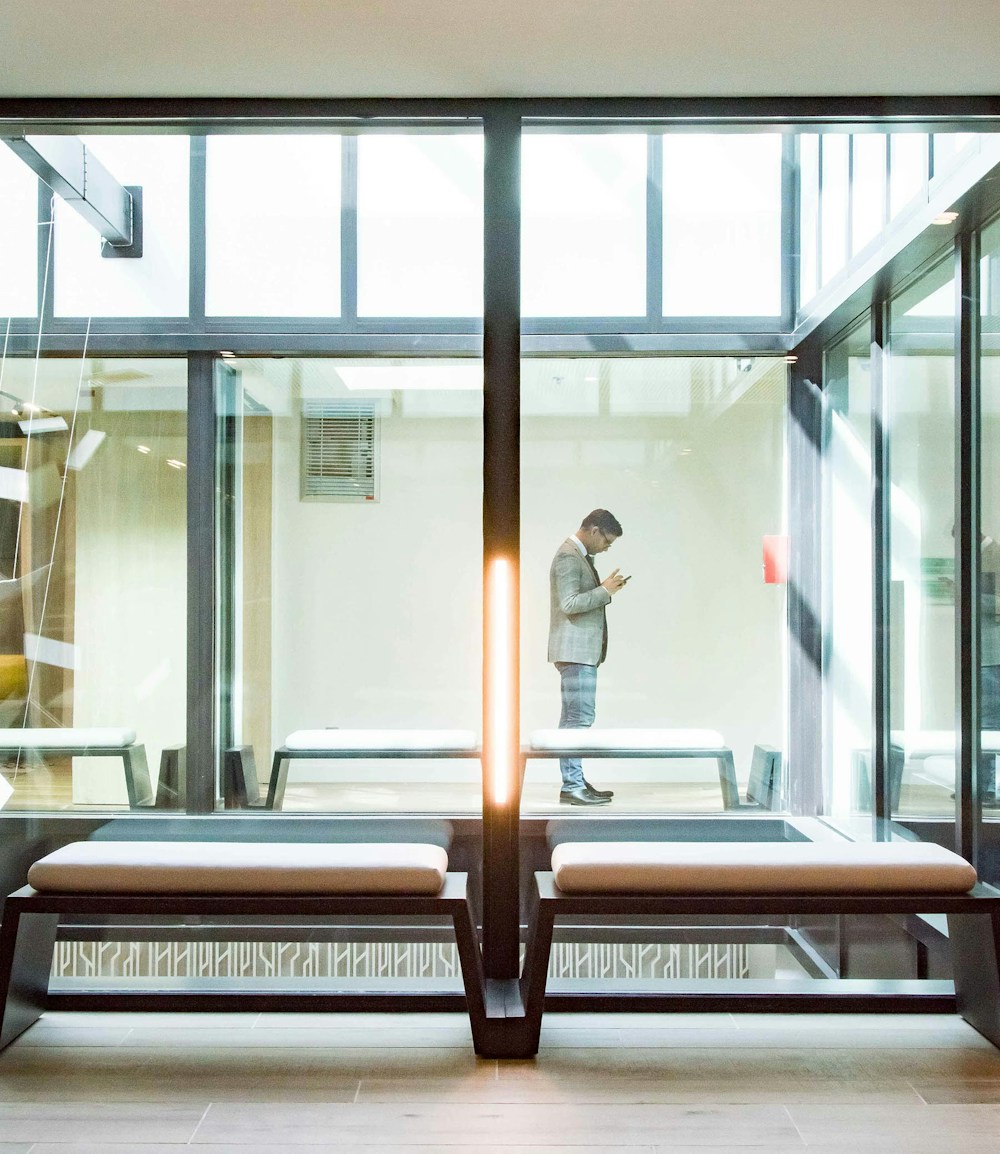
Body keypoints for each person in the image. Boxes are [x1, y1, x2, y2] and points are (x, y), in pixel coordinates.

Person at [548, 509, 628, 805]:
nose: (607, 547)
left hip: (578, 653)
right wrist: (605, 592)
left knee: (574, 719)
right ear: (594, 530)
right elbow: (569, 603)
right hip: (575, 652)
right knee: (579, 720)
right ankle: (572, 784)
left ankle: (574, 780)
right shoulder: (569, 556)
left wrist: (603, 589)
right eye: (607, 541)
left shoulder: (577, 556)